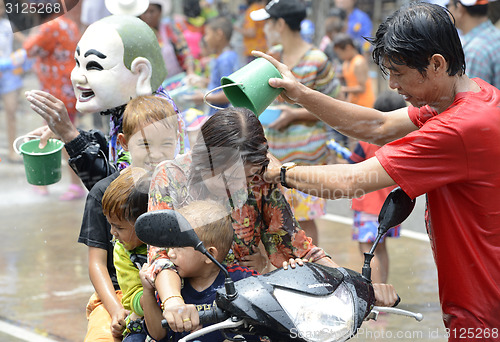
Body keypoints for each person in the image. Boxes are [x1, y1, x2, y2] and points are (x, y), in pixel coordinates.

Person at [254, 1, 500, 339]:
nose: (394, 86)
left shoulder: (458, 127)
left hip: (484, 305)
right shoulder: (470, 97)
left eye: (399, 73)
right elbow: (379, 125)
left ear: (437, 64)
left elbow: (353, 181)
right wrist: (302, 94)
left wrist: (281, 172)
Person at [146, 107, 397, 331]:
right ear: (206, 159)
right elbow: (160, 256)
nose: (239, 187)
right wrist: (174, 303)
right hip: (189, 311)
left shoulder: (260, 181)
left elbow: (300, 250)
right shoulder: (171, 177)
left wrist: (361, 289)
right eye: (228, 177)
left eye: (247, 177)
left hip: (247, 310)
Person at [24, 15, 184, 191]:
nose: (77, 76)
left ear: (140, 72)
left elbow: (118, 194)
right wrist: (70, 135)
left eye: (93, 66)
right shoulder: (127, 105)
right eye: (77, 63)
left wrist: (71, 135)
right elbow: (113, 152)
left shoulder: (151, 118)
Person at [78, 95, 184, 342]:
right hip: (119, 292)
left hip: (176, 289)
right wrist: (116, 310)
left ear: (178, 140)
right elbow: (97, 263)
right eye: (145, 145)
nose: (156, 154)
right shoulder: (105, 192)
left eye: (166, 144)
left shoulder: (182, 186)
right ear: (124, 143)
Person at [250, 0, 341, 244]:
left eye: (268, 23)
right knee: (275, 218)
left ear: (280, 24)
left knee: (305, 220)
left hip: (307, 158)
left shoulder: (317, 59)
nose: (265, 29)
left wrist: (294, 114)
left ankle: (315, 271)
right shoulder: (272, 58)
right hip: (274, 156)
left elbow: (335, 104)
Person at [139, 200, 258, 341]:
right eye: (170, 246)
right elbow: (158, 334)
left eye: (179, 247)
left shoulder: (243, 281)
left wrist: (290, 267)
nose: (170, 254)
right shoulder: (174, 285)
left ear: (209, 255)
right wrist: (148, 293)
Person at [23, 8, 86, 199]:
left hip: (56, 92)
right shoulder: (68, 23)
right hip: (67, 88)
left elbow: (29, 48)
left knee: (59, 134)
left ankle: (63, 184)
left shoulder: (49, 26)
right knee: (62, 132)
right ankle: (56, 183)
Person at [347, 91, 406, 284]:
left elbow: (353, 163)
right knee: (381, 249)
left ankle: (376, 295)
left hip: (368, 208)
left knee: (367, 250)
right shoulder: (403, 142)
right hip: (392, 209)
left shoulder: (367, 139)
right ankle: (383, 288)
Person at [101, 166, 150, 341]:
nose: (113, 232)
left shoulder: (170, 242)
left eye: (119, 227)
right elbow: (131, 298)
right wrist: (158, 298)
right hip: (144, 319)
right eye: (111, 225)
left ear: (145, 221)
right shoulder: (123, 251)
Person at [187, 16, 239, 117]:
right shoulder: (229, 55)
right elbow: (220, 84)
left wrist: (204, 97)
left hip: (222, 115)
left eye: (207, 34)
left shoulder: (225, 59)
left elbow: (229, 94)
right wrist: (202, 81)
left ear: (219, 34)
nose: (205, 39)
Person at [447, 0, 500, 88]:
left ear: (459, 8)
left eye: (448, 5)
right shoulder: (496, 36)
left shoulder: (474, 51)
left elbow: (474, 98)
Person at [139, 0, 195, 77]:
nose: (148, 15)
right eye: (145, 12)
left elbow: (185, 52)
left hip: (177, 79)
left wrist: (190, 72)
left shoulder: (169, 29)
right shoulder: (140, 35)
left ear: (160, 12)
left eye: (152, 11)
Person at [0, 2, 25, 163]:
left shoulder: (7, 25)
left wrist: (21, 57)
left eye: (1, 7)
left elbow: (27, 42)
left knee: (11, 110)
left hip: (8, 74)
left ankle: (11, 150)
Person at [334, 32, 375, 108]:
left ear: (348, 48)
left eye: (340, 53)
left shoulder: (358, 62)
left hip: (364, 105)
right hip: (353, 103)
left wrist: (343, 89)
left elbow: (362, 88)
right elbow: (350, 78)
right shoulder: (346, 63)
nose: (339, 56)